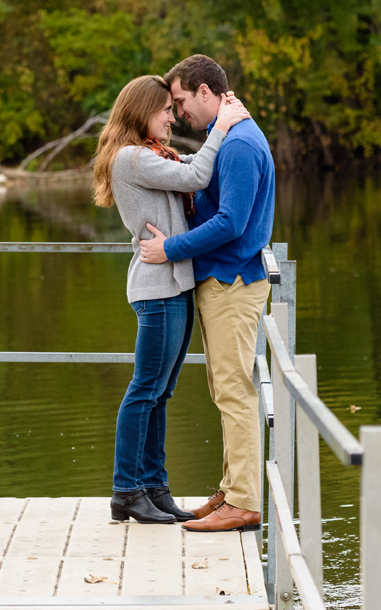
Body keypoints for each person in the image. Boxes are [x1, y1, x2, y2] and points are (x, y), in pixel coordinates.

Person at [90, 74, 250, 524]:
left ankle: (155, 487)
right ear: (142, 111)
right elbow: (198, 173)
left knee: (161, 392)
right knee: (144, 390)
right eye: (164, 110)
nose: (172, 117)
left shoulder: (155, 155)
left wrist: (226, 122)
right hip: (157, 289)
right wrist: (223, 125)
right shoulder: (131, 158)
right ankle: (126, 491)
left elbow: (193, 168)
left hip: (174, 283)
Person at [137, 54, 275, 533]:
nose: (178, 114)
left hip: (232, 281)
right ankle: (232, 488)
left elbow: (231, 222)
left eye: (179, 101)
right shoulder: (230, 138)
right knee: (224, 388)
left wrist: (169, 249)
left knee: (233, 391)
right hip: (224, 278)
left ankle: (244, 501)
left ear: (205, 92)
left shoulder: (237, 145)